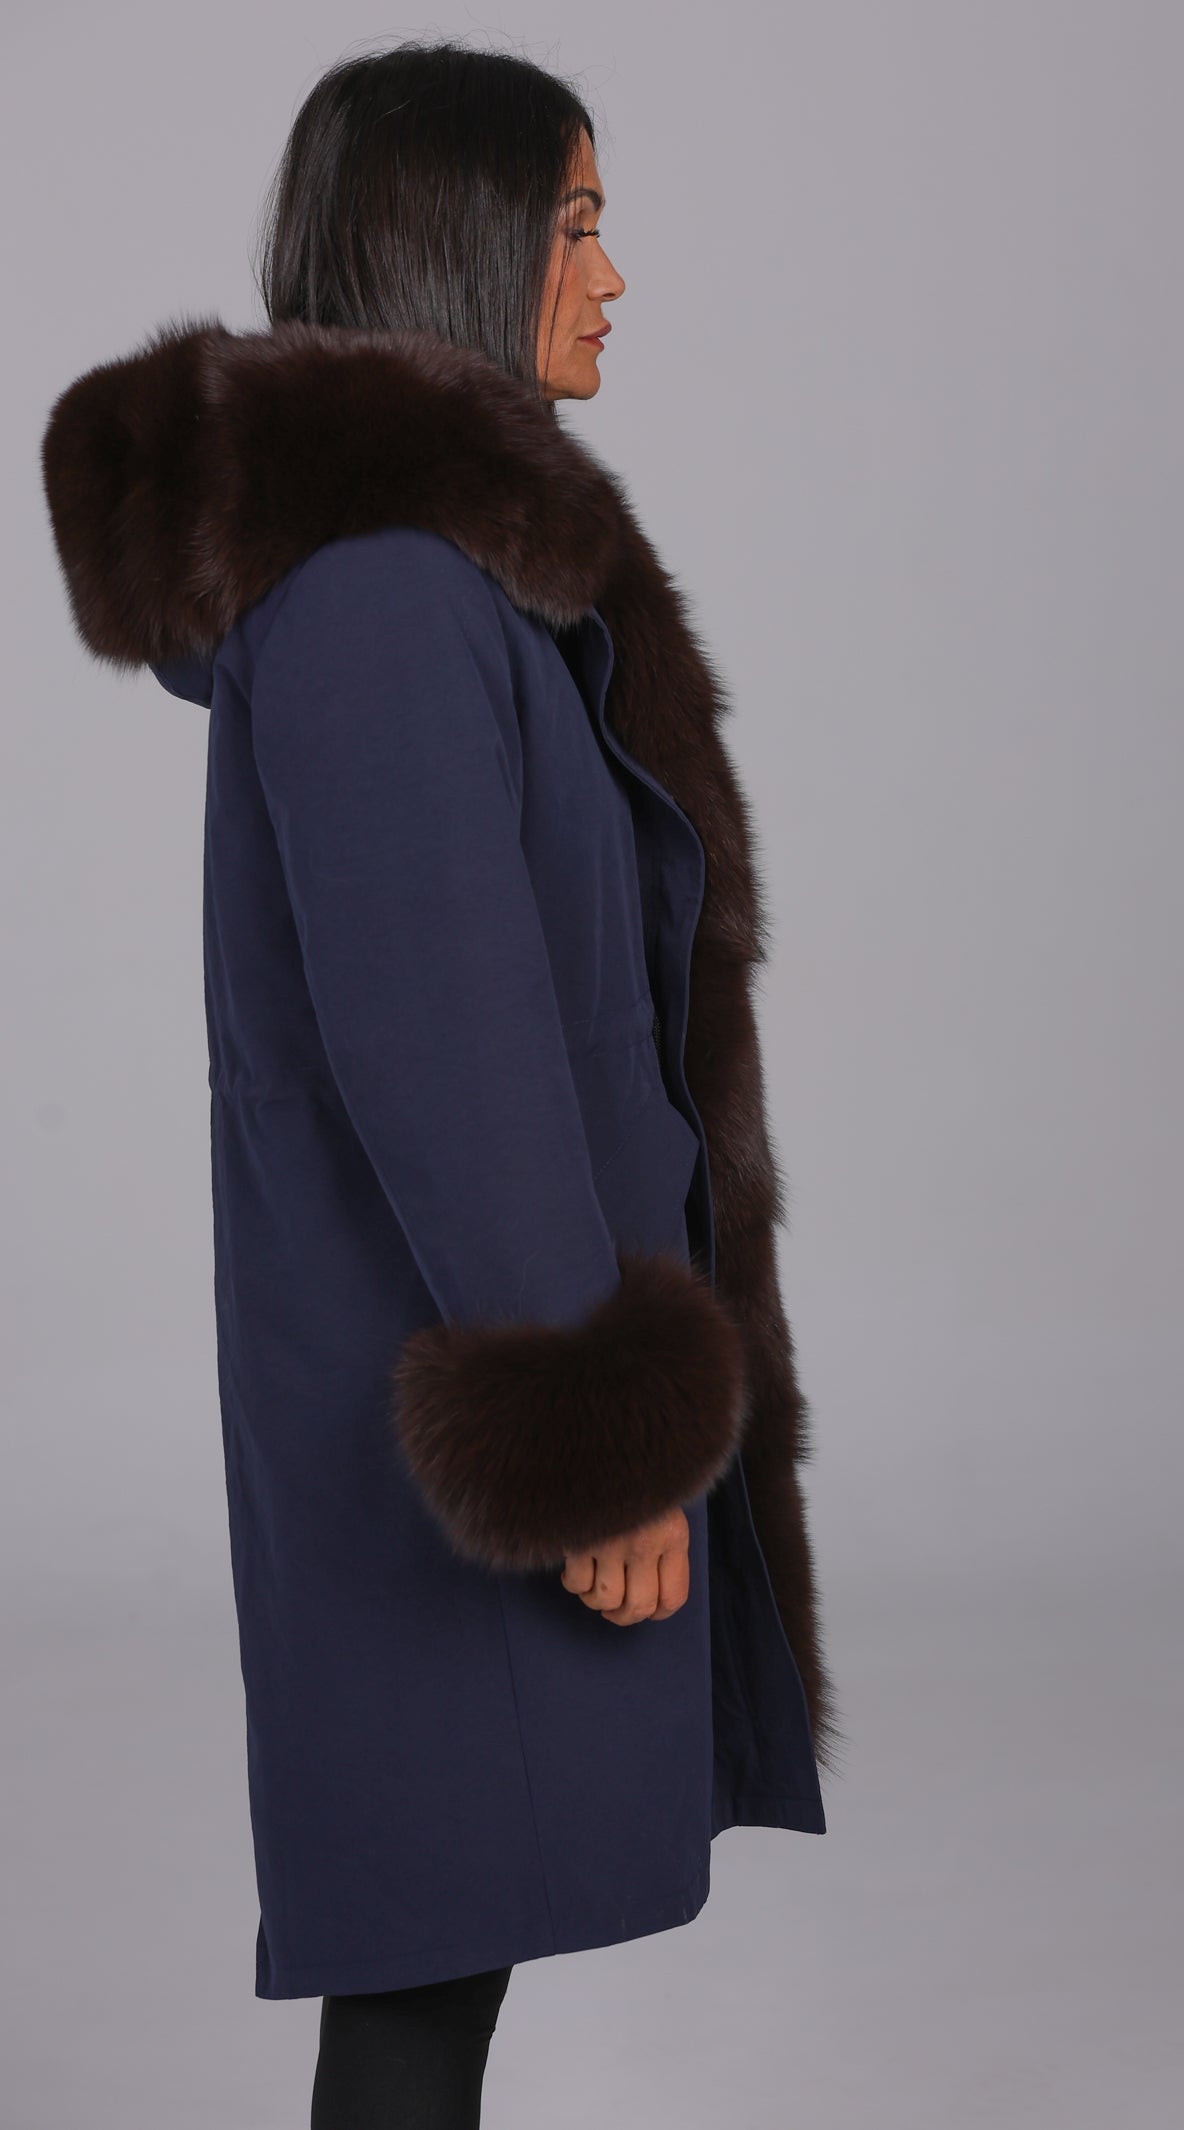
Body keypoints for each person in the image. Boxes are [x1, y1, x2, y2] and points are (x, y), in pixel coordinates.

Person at [41, 39, 842, 2128]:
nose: (611, 275)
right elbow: (445, 1038)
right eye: (574, 225)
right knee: (417, 1961)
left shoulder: (431, 582)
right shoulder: (391, 599)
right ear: (457, 243)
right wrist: (594, 1438)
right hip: (465, 1388)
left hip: (450, 1356)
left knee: (435, 1949)